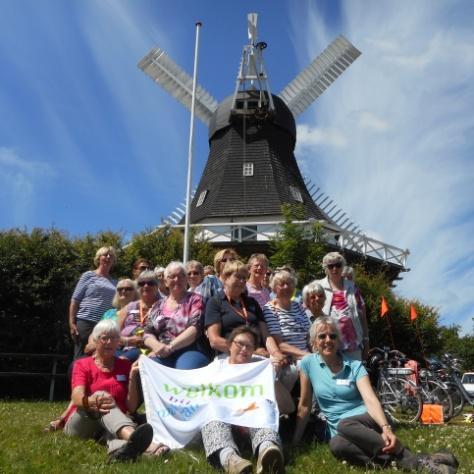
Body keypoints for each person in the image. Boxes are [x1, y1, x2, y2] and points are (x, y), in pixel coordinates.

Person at [292, 317, 459, 473]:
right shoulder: (308, 364)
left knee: (344, 424)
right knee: (336, 445)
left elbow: (371, 399)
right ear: (314, 341)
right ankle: (412, 460)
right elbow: (305, 405)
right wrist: (295, 442)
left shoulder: (355, 365)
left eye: (333, 336)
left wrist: (385, 428)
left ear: (338, 341)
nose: (328, 340)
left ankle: (410, 459)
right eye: (322, 336)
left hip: (370, 421)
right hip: (341, 432)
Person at [63, 320, 155, 462]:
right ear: (96, 341)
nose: (109, 342)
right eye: (104, 338)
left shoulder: (125, 365)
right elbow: (76, 397)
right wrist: (89, 401)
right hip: (82, 423)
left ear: (119, 342)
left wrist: (132, 375)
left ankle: (129, 452)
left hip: (111, 425)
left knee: (113, 432)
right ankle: (137, 439)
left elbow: (130, 407)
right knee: (102, 396)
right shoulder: (83, 364)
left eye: (114, 338)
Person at [201, 326, 285, 474]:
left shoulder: (261, 365)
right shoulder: (216, 367)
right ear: (229, 345)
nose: (244, 349)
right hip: (224, 423)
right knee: (210, 409)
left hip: (252, 420)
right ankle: (230, 459)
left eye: (249, 346)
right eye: (239, 344)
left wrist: (272, 378)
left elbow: (288, 407)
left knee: (263, 404)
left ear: (254, 350)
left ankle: (267, 451)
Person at [143, 262, 209, 369]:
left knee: (184, 370)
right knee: (150, 367)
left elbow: (194, 329)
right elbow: (147, 332)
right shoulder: (158, 305)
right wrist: (156, 346)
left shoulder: (196, 300)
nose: (177, 279)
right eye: (172, 277)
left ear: (186, 279)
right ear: (165, 282)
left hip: (190, 349)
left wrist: (170, 347)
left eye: (181, 276)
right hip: (162, 350)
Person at [205, 260, 274, 357]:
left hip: (259, 355)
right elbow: (215, 341)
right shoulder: (215, 303)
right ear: (225, 278)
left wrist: (275, 353)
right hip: (230, 355)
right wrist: (251, 351)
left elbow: (266, 335)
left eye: (244, 278)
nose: (242, 281)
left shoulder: (252, 303)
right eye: (237, 277)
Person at [262, 270, 311, 395]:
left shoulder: (298, 307)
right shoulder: (270, 309)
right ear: (274, 288)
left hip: (305, 354)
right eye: (282, 284)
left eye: (289, 284)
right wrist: (307, 355)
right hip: (288, 357)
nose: (286, 287)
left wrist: (315, 353)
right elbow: (279, 344)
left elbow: (309, 334)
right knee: (302, 368)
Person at [316, 252, 369, 360]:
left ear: (342, 266)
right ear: (326, 269)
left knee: (354, 375)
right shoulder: (318, 286)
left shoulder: (352, 287)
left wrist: (366, 340)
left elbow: (362, 315)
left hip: (352, 343)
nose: (334, 269)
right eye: (331, 266)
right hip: (328, 343)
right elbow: (310, 311)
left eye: (338, 265)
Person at [69, 246, 118, 359]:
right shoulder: (88, 275)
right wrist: (72, 323)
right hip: (86, 321)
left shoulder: (115, 282)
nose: (108, 257)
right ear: (98, 258)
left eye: (111, 256)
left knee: (100, 357)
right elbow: (75, 300)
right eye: (105, 255)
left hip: (104, 325)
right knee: (81, 355)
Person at [115, 271, 160, 362]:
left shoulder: (163, 306)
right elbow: (115, 333)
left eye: (150, 283)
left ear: (157, 286)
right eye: (142, 283)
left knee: (122, 361)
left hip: (148, 348)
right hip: (124, 346)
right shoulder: (130, 307)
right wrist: (127, 341)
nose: (145, 286)